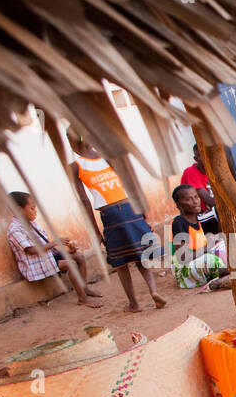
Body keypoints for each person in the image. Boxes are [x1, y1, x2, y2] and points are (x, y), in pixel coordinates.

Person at [68, 128, 166, 312]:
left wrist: (96, 231)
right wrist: (144, 213)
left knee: (120, 262)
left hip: (111, 215)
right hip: (130, 208)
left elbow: (84, 200)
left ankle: (134, 304)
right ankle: (154, 292)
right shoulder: (108, 155)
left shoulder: (76, 166)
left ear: (70, 141)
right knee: (140, 255)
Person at [5, 191, 103, 307]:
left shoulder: (32, 224)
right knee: (70, 264)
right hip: (35, 264)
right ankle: (82, 299)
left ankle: (84, 288)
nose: (35, 211)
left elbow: (47, 248)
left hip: (46, 256)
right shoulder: (15, 230)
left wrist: (67, 251)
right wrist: (55, 243)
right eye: (32, 208)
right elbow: (31, 250)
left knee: (79, 256)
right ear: (19, 209)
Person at [169, 184, 228, 288]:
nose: (195, 201)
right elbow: (182, 257)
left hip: (199, 264)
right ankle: (222, 278)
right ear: (179, 205)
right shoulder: (179, 223)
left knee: (226, 246)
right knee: (211, 260)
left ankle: (223, 275)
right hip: (184, 272)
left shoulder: (197, 220)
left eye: (196, 197)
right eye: (189, 199)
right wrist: (207, 248)